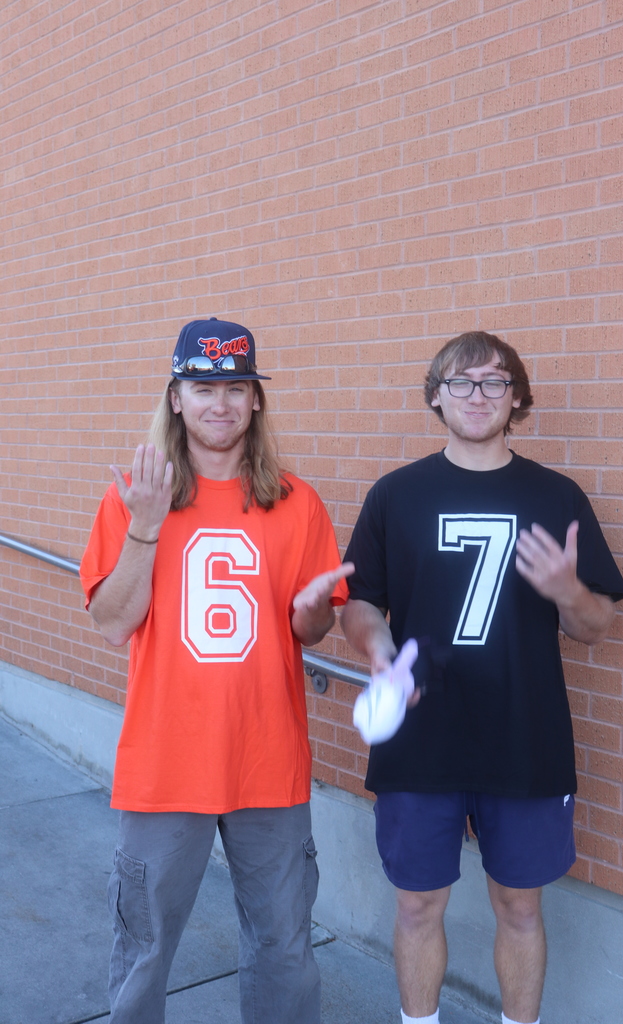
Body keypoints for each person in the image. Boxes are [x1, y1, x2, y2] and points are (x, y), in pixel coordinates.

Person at [341, 331, 623, 1024]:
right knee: (415, 905)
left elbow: (594, 627)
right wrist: (379, 649)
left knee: (520, 906)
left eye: (494, 382)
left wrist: (567, 591)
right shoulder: (395, 494)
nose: (477, 395)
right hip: (419, 736)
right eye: (461, 382)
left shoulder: (555, 495)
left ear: (517, 398)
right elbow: (358, 604)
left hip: (523, 734)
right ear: (435, 395)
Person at [80, 317, 352, 1024]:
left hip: (268, 759)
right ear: (176, 397)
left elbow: (310, 628)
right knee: (143, 950)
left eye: (236, 386)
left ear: (256, 400)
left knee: (283, 948)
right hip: (166, 763)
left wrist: (314, 610)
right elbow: (112, 622)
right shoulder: (136, 495)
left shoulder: (296, 501)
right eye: (204, 387)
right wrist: (143, 525)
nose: (220, 403)